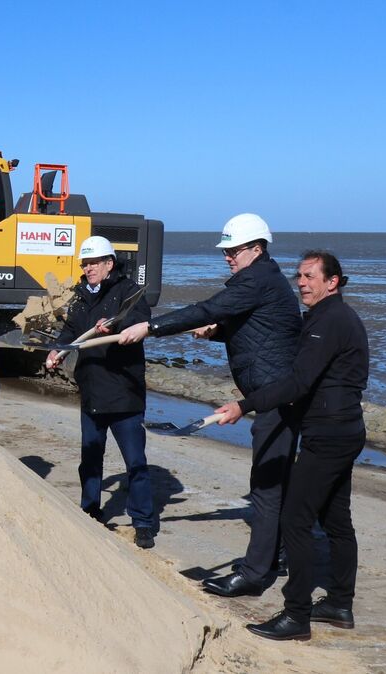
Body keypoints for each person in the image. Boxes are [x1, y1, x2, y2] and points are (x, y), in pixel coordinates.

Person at [118, 213, 301, 595]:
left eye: (233, 250)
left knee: (266, 488)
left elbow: (208, 307)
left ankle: (254, 573)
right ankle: (278, 555)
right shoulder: (265, 279)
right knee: (275, 483)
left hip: (274, 399)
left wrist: (150, 328)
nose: (228, 257)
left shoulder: (257, 279)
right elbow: (260, 330)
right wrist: (219, 333)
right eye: (226, 251)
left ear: (256, 248)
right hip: (272, 395)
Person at [213, 251, 369, 641]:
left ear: (332, 281)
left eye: (310, 276)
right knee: (336, 520)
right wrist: (218, 332)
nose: (301, 283)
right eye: (299, 276)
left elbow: (297, 382)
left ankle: (296, 615)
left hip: (329, 435)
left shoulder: (329, 321)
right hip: (346, 430)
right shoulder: (328, 318)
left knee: (296, 521)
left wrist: (244, 405)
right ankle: (338, 603)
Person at [46, 236, 156, 549]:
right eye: (85, 263)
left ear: (109, 263)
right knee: (90, 457)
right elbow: (71, 332)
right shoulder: (80, 296)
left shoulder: (128, 291)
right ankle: (90, 509)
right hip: (92, 390)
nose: (88, 268)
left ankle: (143, 522)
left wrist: (118, 327)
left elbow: (138, 321)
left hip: (124, 393)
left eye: (94, 262)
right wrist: (57, 351)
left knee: (135, 461)